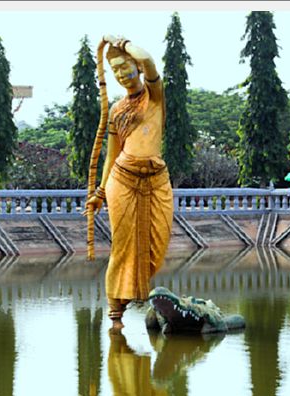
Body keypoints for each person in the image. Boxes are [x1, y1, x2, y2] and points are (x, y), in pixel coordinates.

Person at [85, 35, 173, 332]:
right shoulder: (117, 111)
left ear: (136, 65)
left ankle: (134, 294)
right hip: (122, 179)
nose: (122, 75)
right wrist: (99, 192)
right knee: (122, 246)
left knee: (156, 245)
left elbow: (149, 60)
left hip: (156, 179)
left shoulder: (155, 96)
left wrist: (122, 42)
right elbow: (112, 156)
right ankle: (115, 311)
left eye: (125, 67)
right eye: (115, 70)